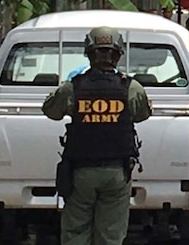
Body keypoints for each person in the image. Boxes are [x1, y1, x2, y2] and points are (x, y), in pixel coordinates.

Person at [42, 27, 152, 245]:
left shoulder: (73, 87)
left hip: (80, 173)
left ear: (89, 54)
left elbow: (50, 111)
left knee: (75, 234)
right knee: (110, 236)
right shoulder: (130, 87)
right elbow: (142, 115)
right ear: (118, 54)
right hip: (116, 173)